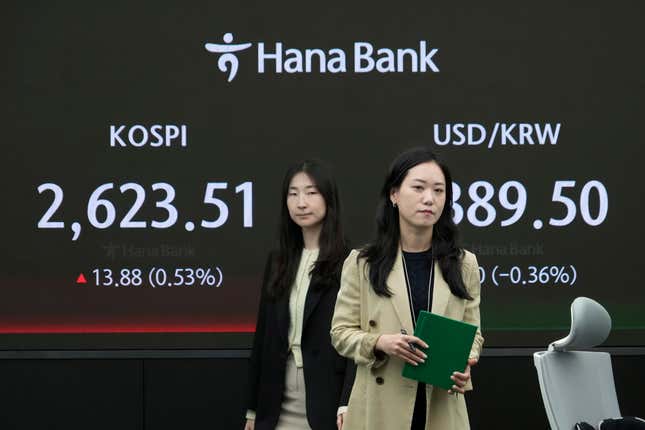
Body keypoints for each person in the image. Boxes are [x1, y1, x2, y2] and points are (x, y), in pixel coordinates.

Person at [330, 147, 484, 430]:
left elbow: (473, 333)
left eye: (439, 190)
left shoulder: (464, 264)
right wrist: (380, 342)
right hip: (379, 408)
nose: (429, 198)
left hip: (441, 405)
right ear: (394, 194)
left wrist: (466, 361)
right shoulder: (363, 263)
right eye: (418, 187)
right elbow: (340, 333)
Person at [245, 160, 356, 430]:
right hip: (276, 400)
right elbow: (263, 339)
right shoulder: (278, 260)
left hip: (326, 397)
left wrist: (348, 401)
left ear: (329, 198)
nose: (301, 202)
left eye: (311, 192)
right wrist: (252, 411)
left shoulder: (350, 261)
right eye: (293, 194)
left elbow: (357, 338)